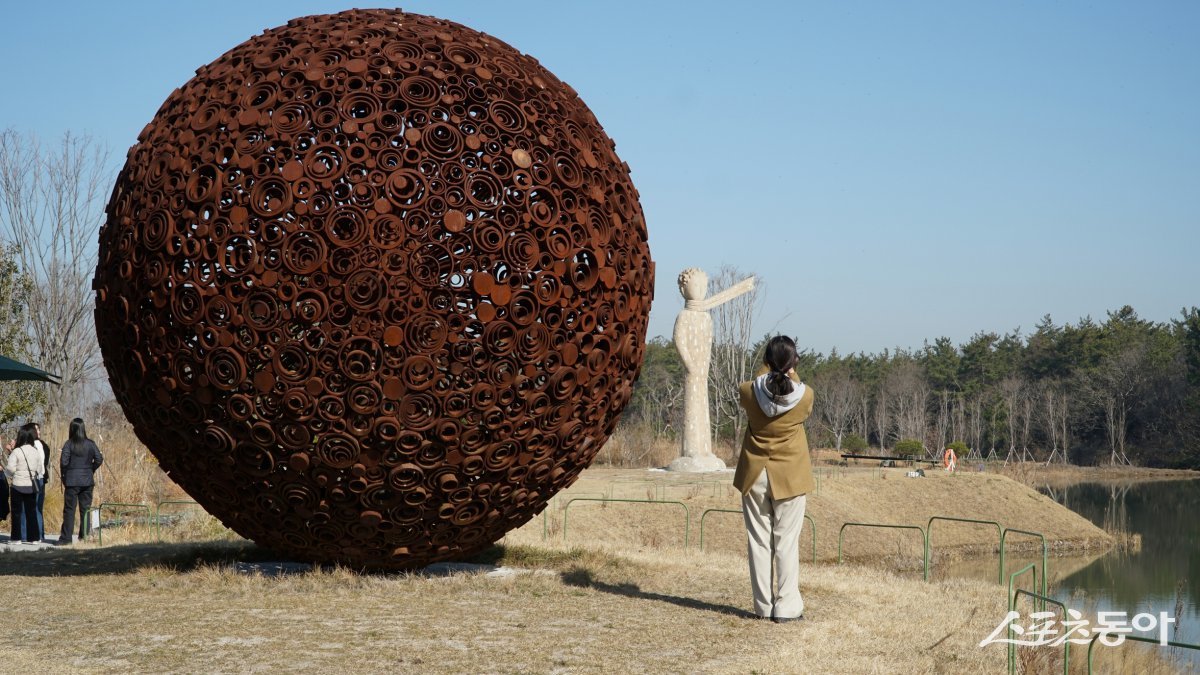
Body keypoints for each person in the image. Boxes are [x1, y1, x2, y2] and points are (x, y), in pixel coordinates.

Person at [733, 335, 815, 623]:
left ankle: (763, 606)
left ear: (766, 362)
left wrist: (768, 366)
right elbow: (792, 384)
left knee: (759, 541)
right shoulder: (805, 397)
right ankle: (787, 607)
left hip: (755, 475)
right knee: (786, 542)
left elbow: (757, 383)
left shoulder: (748, 392)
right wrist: (789, 368)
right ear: (793, 365)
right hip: (790, 477)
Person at [59, 418, 103, 544]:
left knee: (69, 510)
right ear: (83, 428)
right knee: (86, 509)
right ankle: (84, 536)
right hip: (87, 480)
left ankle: (66, 538)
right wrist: (91, 469)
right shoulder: (90, 443)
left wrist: (65, 475)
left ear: (72, 429)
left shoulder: (69, 444)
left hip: (72, 481)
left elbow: (64, 462)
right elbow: (99, 459)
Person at [4, 426, 45, 543]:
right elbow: (39, 469)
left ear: (20, 437)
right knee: (31, 512)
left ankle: (16, 538)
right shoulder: (35, 451)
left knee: (17, 513)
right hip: (31, 485)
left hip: (17, 485)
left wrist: (8, 474)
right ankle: (34, 538)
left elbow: (11, 469)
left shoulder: (17, 451)